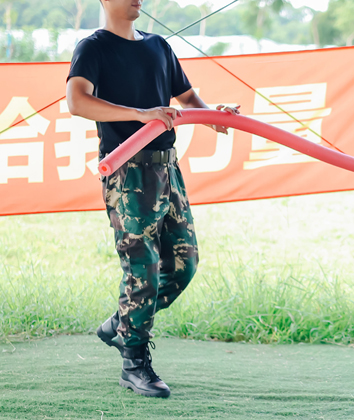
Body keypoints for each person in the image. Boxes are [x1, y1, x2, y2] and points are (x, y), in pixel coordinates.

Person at [66, 0, 239, 398]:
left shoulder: (159, 46)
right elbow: (77, 102)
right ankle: (134, 363)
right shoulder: (93, 47)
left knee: (184, 265)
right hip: (128, 173)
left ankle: (123, 324)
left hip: (167, 169)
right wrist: (141, 114)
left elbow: (190, 100)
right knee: (142, 269)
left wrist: (216, 115)